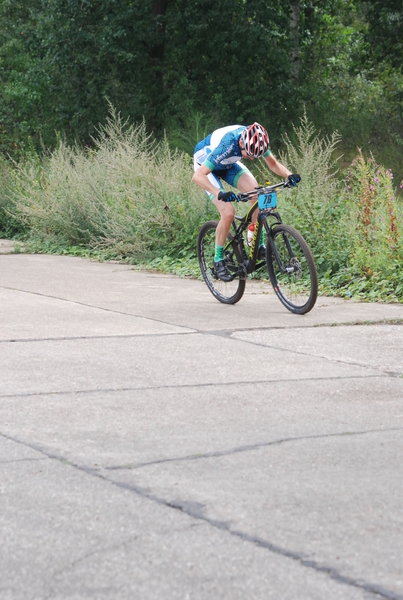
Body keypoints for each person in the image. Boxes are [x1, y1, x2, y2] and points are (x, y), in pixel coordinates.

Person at [192, 122, 300, 281]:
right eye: (249, 154)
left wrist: (289, 175)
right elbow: (198, 176)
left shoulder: (256, 140)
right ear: (242, 143)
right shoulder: (228, 144)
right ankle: (218, 259)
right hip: (206, 168)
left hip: (228, 164)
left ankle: (257, 243)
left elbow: (273, 164)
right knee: (228, 212)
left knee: (258, 194)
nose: (250, 158)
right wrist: (219, 193)